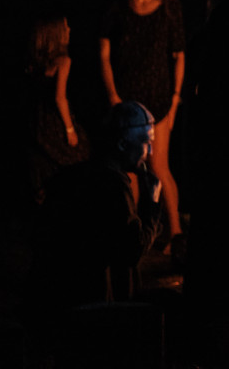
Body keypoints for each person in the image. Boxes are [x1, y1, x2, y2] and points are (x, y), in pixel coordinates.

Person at [26, 100, 162, 313]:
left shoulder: (74, 175)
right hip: (88, 306)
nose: (151, 152)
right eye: (146, 143)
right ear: (122, 144)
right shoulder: (113, 185)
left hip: (51, 299)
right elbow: (132, 250)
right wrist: (151, 205)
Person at [99, 0, 186, 249]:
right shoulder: (119, 7)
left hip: (158, 101)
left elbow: (179, 55)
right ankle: (132, 237)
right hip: (126, 101)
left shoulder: (170, 8)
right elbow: (104, 53)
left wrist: (175, 100)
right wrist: (112, 95)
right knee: (129, 170)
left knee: (159, 166)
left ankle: (176, 235)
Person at [26, 15, 89, 201]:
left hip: (37, 123)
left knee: (45, 167)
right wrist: (70, 129)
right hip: (55, 122)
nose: (69, 30)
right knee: (79, 158)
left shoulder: (34, 63)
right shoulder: (63, 61)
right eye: (65, 27)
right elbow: (60, 97)